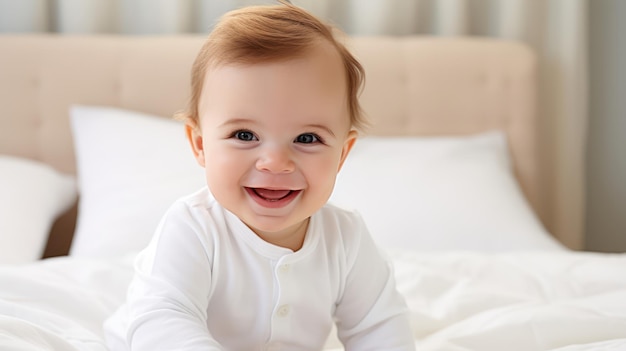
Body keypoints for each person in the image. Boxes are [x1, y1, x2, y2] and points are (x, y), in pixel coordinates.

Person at [103, 2, 415, 350]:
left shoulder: (346, 238)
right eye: (245, 135)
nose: (276, 163)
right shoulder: (193, 228)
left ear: (342, 153)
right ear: (200, 145)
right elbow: (163, 320)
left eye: (307, 139)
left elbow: (380, 328)